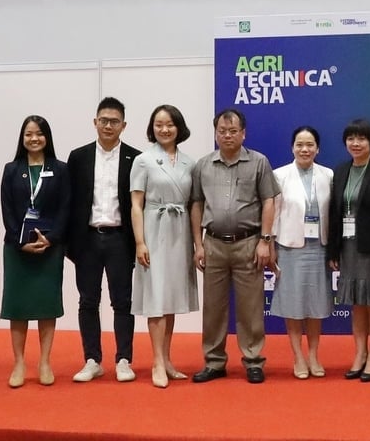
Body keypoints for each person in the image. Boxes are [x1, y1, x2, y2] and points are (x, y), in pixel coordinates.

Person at [189, 108, 278, 384]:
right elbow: (196, 204)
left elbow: (269, 201)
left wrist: (265, 241)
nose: (227, 136)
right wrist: (197, 244)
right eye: (222, 131)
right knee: (213, 308)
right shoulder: (203, 165)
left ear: (243, 133)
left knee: (250, 308)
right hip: (213, 243)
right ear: (215, 133)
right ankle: (214, 362)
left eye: (232, 131)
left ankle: (253, 360)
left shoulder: (259, 162)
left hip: (248, 244)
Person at [66, 97, 141, 384]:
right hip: (87, 239)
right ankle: (92, 359)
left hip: (120, 239)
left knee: (122, 302)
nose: (108, 125)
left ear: (124, 125)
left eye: (114, 121)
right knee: (88, 301)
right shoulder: (79, 156)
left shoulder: (135, 158)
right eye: (103, 120)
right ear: (95, 122)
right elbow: (70, 201)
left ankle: (123, 359)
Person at [130, 104, 198, 388]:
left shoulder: (190, 162)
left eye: (169, 124)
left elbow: (195, 204)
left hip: (179, 231)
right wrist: (140, 242)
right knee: (155, 299)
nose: (164, 129)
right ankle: (156, 360)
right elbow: (136, 204)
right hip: (154, 229)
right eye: (158, 124)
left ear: (178, 127)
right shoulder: (144, 160)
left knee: (170, 299)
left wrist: (197, 242)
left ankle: (167, 358)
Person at [0, 115, 69, 388]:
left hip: (50, 248)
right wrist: (21, 242)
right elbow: (7, 209)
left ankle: (44, 361)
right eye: (29, 134)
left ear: (47, 137)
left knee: (46, 305)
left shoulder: (60, 169)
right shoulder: (11, 169)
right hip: (18, 248)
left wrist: (51, 239)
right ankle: (19, 362)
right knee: (17, 307)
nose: (34, 138)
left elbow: (66, 207)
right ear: (22, 137)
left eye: (39, 134)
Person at [327, 118, 370, 383]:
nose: (355, 143)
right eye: (351, 139)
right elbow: (335, 214)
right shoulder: (341, 171)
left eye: (361, 139)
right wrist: (333, 251)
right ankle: (360, 354)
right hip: (347, 248)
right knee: (357, 304)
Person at [269, 125, 334, 380]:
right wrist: (271, 244)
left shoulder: (328, 175)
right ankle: (298, 356)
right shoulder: (279, 175)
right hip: (289, 247)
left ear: (317, 148)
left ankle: (315, 355)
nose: (304, 149)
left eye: (309, 145)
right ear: (292, 147)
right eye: (299, 144)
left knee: (316, 305)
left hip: (319, 247)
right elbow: (272, 213)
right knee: (293, 305)